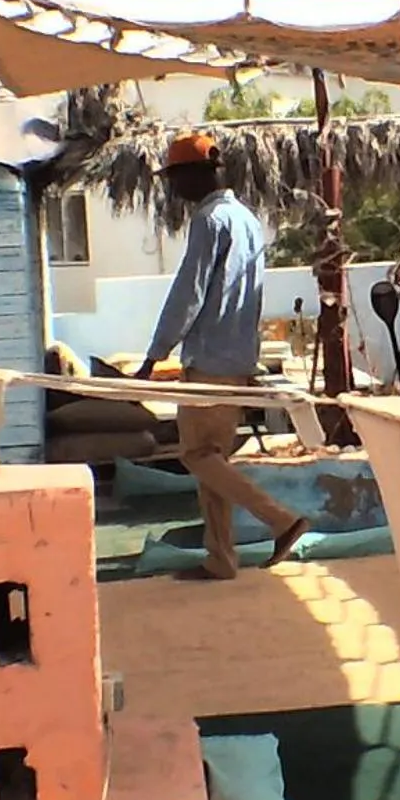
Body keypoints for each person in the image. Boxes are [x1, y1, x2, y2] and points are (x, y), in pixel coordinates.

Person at [138, 132, 309, 579]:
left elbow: (188, 294)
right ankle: (220, 558)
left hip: (210, 360)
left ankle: (281, 519)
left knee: (196, 456)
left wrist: (155, 355)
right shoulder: (247, 220)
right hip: (236, 358)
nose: (174, 189)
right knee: (212, 460)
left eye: (176, 178)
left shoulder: (209, 221)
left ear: (198, 174)